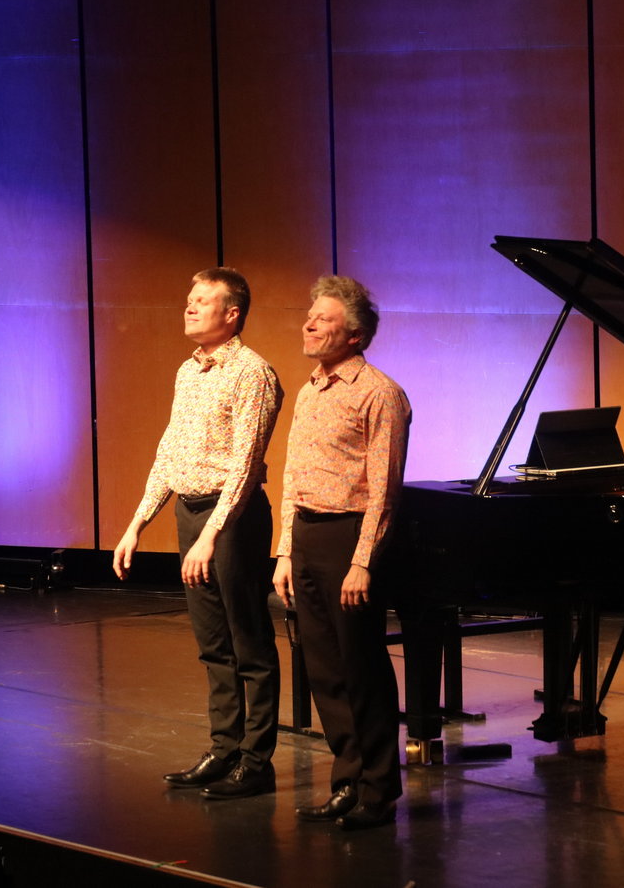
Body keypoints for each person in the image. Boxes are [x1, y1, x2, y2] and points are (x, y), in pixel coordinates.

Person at [113, 267, 282, 800]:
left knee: (248, 641)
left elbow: (245, 464)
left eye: (202, 300)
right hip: (192, 515)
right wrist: (137, 523)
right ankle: (224, 748)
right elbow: (170, 451)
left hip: (231, 519)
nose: (189, 306)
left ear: (231, 313)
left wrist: (212, 534)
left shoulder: (252, 372)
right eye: (189, 298)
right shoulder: (188, 372)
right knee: (212, 642)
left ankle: (256, 761)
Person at [272, 275, 411, 831]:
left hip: (350, 538)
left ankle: (378, 790)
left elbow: (384, 489)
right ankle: (347, 781)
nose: (308, 323)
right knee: (324, 669)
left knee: (361, 667)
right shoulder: (309, 389)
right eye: (310, 315)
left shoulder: (380, 393)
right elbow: (292, 475)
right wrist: (285, 550)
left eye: (323, 318)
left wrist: (363, 560)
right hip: (307, 536)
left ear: (354, 335)